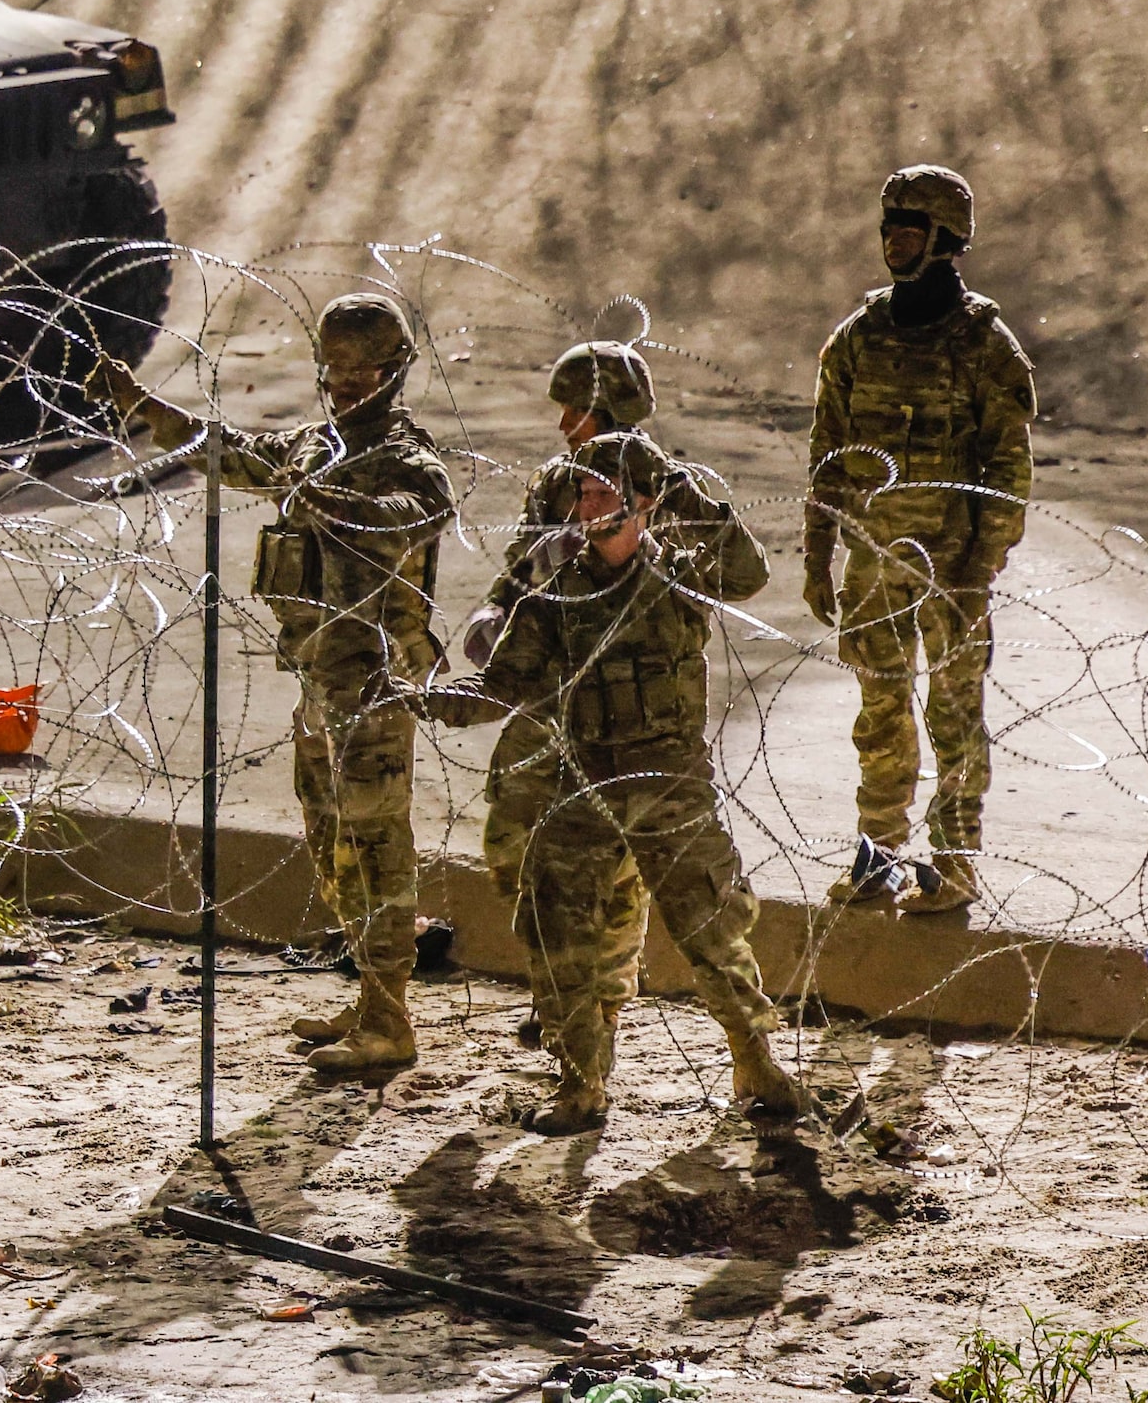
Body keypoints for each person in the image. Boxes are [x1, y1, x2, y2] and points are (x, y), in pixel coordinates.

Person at [91, 293, 455, 1075]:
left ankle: (390, 1020)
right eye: (336, 367)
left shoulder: (404, 454)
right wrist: (142, 405)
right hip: (319, 681)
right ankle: (368, 997)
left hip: (375, 686)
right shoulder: (312, 447)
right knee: (331, 845)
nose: (348, 381)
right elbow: (224, 450)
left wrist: (337, 501)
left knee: (374, 843)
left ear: (394, 371)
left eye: (364, 368)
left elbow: (414, 511)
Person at [404, 431, 799, 1134]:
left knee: (709, 926)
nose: (589, 506)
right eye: (582, 494)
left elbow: (746, 571)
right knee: (558, 934)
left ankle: (754, 1059)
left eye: (605, 492)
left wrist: (682, 491)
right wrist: (422, 698)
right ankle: (580, 1082)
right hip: (582, 781)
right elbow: (502, 690)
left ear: (642, 500)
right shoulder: (551, 598)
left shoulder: (678, 574)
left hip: (668, 779)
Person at [462, 342, 766, 1048]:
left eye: (580, 408)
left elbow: (739, 571)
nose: (566, 422)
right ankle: (565, 982)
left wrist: (680, 500)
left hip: (635, 705)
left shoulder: (659, 482)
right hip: (554, 687)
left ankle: (598, 992)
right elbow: (526, 564)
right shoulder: (555, 482)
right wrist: (498, 610)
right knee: (515, 841)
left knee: (624, 865)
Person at [804, 166, 1034, 915]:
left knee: (952, 715)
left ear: (945, 240)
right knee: (878, 716)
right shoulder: (857, 339)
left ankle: (953, 864)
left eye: (911, 228)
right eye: (888, 226)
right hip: (873, 562)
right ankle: (877, 857)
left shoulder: (981, 345)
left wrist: (980, 564)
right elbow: (827, 452)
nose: (893, 241)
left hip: (950, 566)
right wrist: (816, 552)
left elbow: (1008, 465)